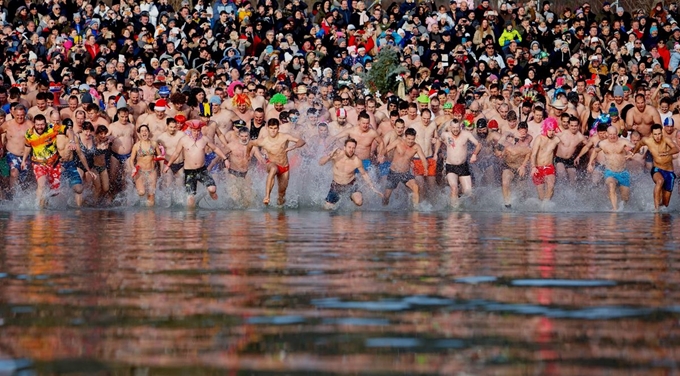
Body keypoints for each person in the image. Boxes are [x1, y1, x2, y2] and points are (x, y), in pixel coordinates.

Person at [164, 121, 229, 208]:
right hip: (189, 172)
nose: (196, 133)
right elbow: (176, 153)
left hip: (202, 170)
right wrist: (168, 165)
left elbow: (216, 148)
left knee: (212, 189)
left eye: (198, 130)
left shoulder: (204, 139)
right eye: (194, 131)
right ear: (190, 129)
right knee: (190, 201)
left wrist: (225, 159)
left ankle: (210, 194)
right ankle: (192, 216)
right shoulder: (183, 140)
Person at [247, 118, 306, 206]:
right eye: (271, 128)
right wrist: (247, 154)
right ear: (267, 128)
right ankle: (267, 196)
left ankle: (280, 210)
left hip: (284, 167)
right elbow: (251, 143)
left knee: (281, 193)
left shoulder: (285, 137)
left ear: (278, 128)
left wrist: (294, 146)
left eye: (275, 128)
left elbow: (302, 141)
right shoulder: (264, 141)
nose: (273, 131)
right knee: (274, 169)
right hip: (271, 164)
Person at [20, 115, 72, 208]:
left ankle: (45, 204)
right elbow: (27, 148)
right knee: (42, 184)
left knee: (54, 191)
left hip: (54, 163)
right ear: (34, 124)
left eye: (42, 125)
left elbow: (68, 131)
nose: (40, 127)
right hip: (38, 163)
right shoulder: (29, 133)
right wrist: (24, 160)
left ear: (45, 123)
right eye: (38, 125)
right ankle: (38, 207)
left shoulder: (52, 127)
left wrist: (72, 141)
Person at [319, 137, 381, 209]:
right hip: (336, 186)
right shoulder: (336, 155)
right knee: (326, 208)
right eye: (349, 147)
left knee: (359, 202)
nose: (351, 150)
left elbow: (364, 174)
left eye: (353, 148)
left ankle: (352, 197)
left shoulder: (356, 160)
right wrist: (329, 157)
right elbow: (321, 163)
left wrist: (373, 188)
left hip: (350, 185)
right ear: (344, 147)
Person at [631, 123, 680, 211]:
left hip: (669, 172)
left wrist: (667, 153)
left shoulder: (666, 140)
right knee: (660, 181)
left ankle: (659, 207)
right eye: (655, 134)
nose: (657, 136)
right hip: (657, 169)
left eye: (659, 134)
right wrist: (633, 153)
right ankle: (656, 209)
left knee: (665, 204)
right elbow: (639, 144)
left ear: (661, 133)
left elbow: (676, 149)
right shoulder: (647, 140)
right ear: (652, 134)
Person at [587, 126, 635, 211]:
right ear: (607, 134)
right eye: (610, 134)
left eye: (614, 134)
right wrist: (590, 163)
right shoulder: (602, 143)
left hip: (623, 172)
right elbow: (595, 151)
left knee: (625, 198)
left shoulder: (623, 142)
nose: (612, 136)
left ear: (617, 134)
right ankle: (614, 209)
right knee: (611, 185)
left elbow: (634, 146)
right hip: (610, 171)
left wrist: (632, 153)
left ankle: (621, 208)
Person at [439, 119, 481, 207]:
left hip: (463, 166)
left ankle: (475, 208)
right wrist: (438, 152)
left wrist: (474, 154)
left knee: (468, 192)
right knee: (454, 188)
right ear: (450, 128)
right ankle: (455, 210)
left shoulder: (466, 134)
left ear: (460, 127)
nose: (455, 129)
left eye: (457, 127)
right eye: (453, 128)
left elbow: (478, 144)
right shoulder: (446, 135)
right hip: (451, 166)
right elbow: (439, 140)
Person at [382, 128, 427, 207]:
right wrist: (381, 155)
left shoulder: (416, 147)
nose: (410, 141)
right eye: (408, 139)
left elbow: (423, 159)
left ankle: (415, 209)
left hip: (405, 173)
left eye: (412, 139)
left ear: (415, 138)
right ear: (405, 137)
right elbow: (386, 149)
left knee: (415, 187)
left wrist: (426, 168)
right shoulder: (398, 142)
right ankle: (383, 209)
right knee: (386, 196)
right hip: (393, 173)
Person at [56, 119, 96, 207]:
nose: (69, 129)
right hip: (59, 165)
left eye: (71, 127)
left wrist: (88, 169)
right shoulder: (57, 137)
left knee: (79, 189)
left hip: (71, 165)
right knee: (57, 190)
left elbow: (81, 154)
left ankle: (78, 210)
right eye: (68, 127)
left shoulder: (75, 138)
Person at [498, 123, 532, 208]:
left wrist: (523, 166)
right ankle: (507, 204)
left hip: (520, 167)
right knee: (505, 182)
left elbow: (529, 154)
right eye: (521, 133)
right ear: (517, 131)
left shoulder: (528, 140)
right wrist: (507, 134)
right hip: (509, 166)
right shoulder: (510, 139)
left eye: (524, 134)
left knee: (522, 192)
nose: (522, 136)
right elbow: (500, 144)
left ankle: (522, 207)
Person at [530, 117, 562, 204]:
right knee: (541, 196)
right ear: (545, 129)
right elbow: (533, 154)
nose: (551, 132)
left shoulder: (556, 140)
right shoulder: (539, 138)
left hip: (549, 167)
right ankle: (543, 211)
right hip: (537, 168)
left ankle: (546, 205)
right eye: (549, 130)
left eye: (553, 130)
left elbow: (554, 153)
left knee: (551, 187)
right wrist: (533, 167)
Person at [129, 125, 162, 206]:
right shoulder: (136, 146)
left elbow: (160, 157)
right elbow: (131, 160)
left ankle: (150, 215)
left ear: (149, 132)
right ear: (139, 133)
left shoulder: (154, 144)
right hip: (140, 172)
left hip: (152, 171)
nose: (144, 132)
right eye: (142, 131)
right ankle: (135, 200)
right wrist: (133, 168)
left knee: (151, 194)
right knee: (141, 192)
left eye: (146, 130)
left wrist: (161, 170)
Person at [224, 127, 256, 206]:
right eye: (242, 136)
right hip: (233, 172)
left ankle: (245, 216)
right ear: (238, 136)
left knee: (248, 198)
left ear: (249, 136)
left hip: (246, 173)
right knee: (236, 197)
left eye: (246, 136)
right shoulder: (232, 145)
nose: (244, 138)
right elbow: (219, 156)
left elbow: (261, 159)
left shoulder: (253, 146)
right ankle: (234, 214)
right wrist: (225, 160)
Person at [554, 116, 586, 185]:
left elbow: (589, 146)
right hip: (560, 159)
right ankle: (560, 193)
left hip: (571, 160)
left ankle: (571, 195)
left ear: (578, 126)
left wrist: (579, 156)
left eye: (575, 126)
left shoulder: (580, 137)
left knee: (573, 181)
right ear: (568, 125)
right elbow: (549, 137)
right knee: (562, 176)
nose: (573, 127)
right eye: (572, 125)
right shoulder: (562, 134)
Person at [156, 118, 186, 188]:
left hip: (180, 164)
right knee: (167, 186)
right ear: (167, 126)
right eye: (171, 127)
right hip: (167, 164)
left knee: (180, 187)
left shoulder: (182, 135)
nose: (172, 129)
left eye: (174, 127)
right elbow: (158, 153)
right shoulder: (161, 138)